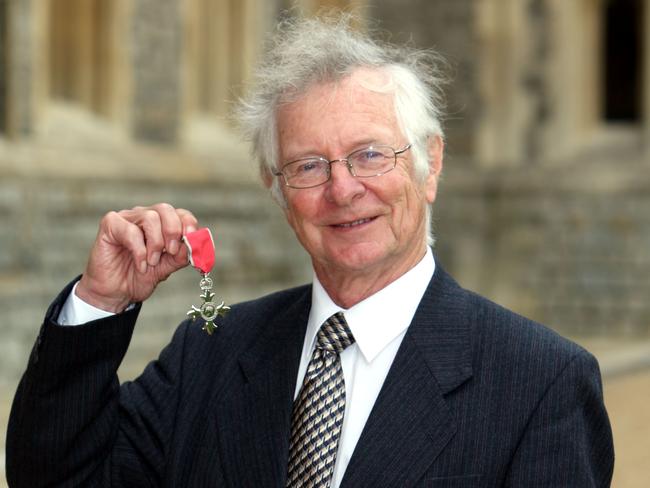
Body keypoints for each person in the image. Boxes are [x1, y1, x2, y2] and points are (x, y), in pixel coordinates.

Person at [7, 15, 613, 488]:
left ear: (430, 166)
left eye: (371, 154)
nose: (343, 189)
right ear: (277, 190)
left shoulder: (542, 384)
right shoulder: (210, 353)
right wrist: (99, 303)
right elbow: (58, 478)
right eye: (308, 165)